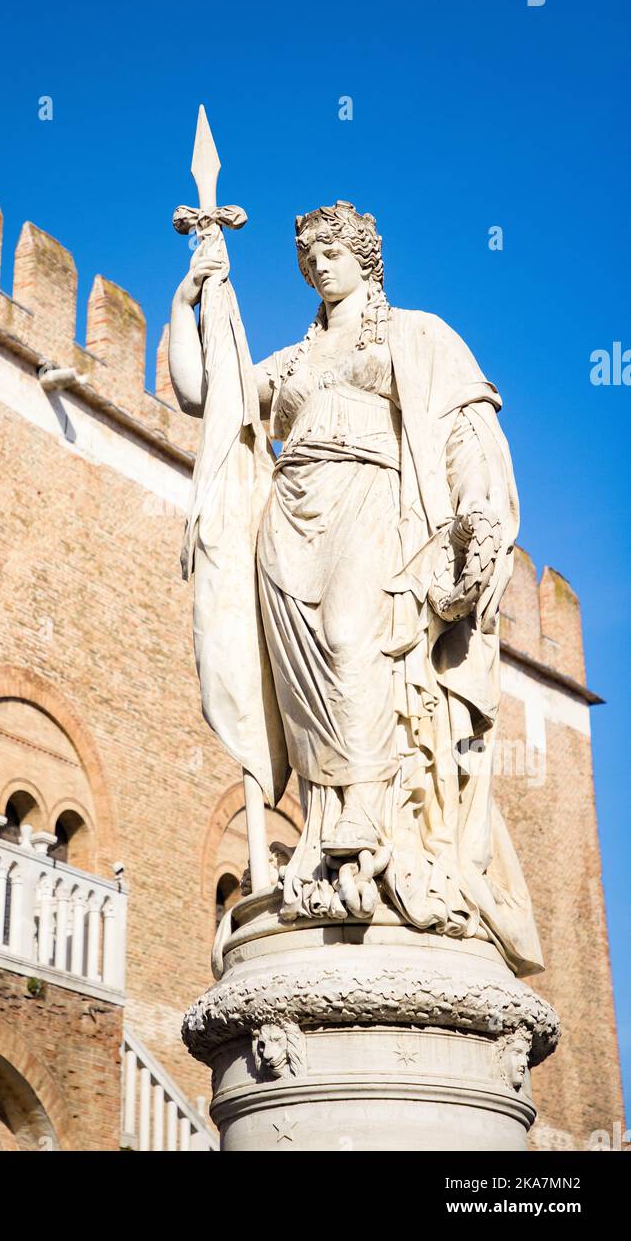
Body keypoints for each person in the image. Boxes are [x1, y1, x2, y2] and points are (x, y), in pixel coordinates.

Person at [168, 198, 542, 976]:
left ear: (362, 256)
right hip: (291, 522)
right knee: (308, 694)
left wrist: (476, 515)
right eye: (306, 259)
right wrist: (192, 295)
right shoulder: (294, 361)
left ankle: (376, 838)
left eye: (328, 253)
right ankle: (323, 837)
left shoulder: (418, 335)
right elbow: (206, 394)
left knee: (357, 651)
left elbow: (467, 429)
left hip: (376, 508)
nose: (316, 267)